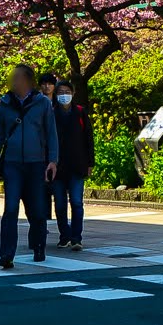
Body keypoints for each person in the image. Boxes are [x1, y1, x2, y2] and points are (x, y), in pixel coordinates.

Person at [0, 64, 58, 269]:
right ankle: (6, 254)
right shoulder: (5, 103)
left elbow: (51, 133)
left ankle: (38, 246)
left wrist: (53, 160)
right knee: (10, 208)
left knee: (37, 208)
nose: (15, 81)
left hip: (36, 163)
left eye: (19, 77)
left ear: (29, 80)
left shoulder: (42, 102)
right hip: (12, 164)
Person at [53, 81, 94, 251]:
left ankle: (76, 237)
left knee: (77, 202)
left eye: (67, 91)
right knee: (60, 204)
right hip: (57, 167)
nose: (64, 95)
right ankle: (64, 235)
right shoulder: (51, 113)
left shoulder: (80, 112)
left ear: (73, 93)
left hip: (77, 164)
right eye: (61, 92)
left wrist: (90, 163)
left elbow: (88, 138)